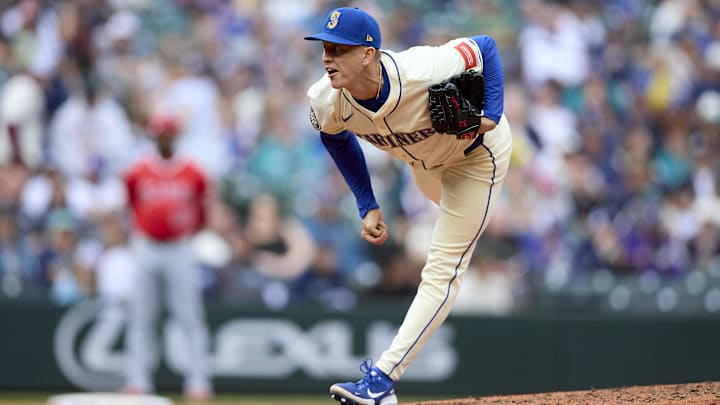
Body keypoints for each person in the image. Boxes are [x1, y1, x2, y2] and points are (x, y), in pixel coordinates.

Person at [304, 7, 512, 405]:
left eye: (338, 49)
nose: (327, 57)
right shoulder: (326, 99)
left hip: (476, 157)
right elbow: (334, 137)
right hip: (425, 167)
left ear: (368, 53)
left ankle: (382, 380)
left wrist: (491, 114)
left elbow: (484, 47)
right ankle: (477, 235)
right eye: (324, 48)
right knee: (444, 240)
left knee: (442, 269)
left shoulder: (421, 69)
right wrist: (367, 203)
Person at [122, 113, 213, 400]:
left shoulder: (193, 172)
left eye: (167, 135)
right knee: (142, 315)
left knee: (189, 315)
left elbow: (202, 210)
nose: (163, 140)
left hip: (180, 245)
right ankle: (138, 379)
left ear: (175, 136)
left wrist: (190, 232)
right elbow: (132, 205)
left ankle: (198, 380)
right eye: (159, 135)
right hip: (147, 244)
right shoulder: (137, 171)